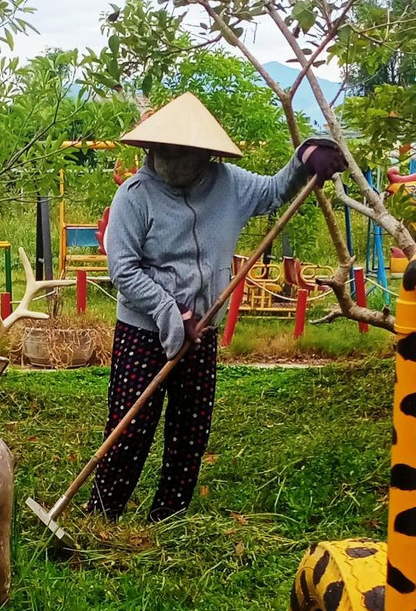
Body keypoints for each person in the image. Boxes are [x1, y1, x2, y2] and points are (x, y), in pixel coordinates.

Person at [87, 93, 345, 522]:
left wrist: (305, 159)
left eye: (181, 155)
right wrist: (172, 312)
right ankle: (102, 516)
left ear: (204, 155)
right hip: (143, 332)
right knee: (129, 428)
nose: (169, 162)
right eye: (163, 152)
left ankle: (168, 518)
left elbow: (274, 191)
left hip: (202, 330)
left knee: (190, 431)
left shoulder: (228, 184)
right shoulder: (134, 196)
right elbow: (124, 271)